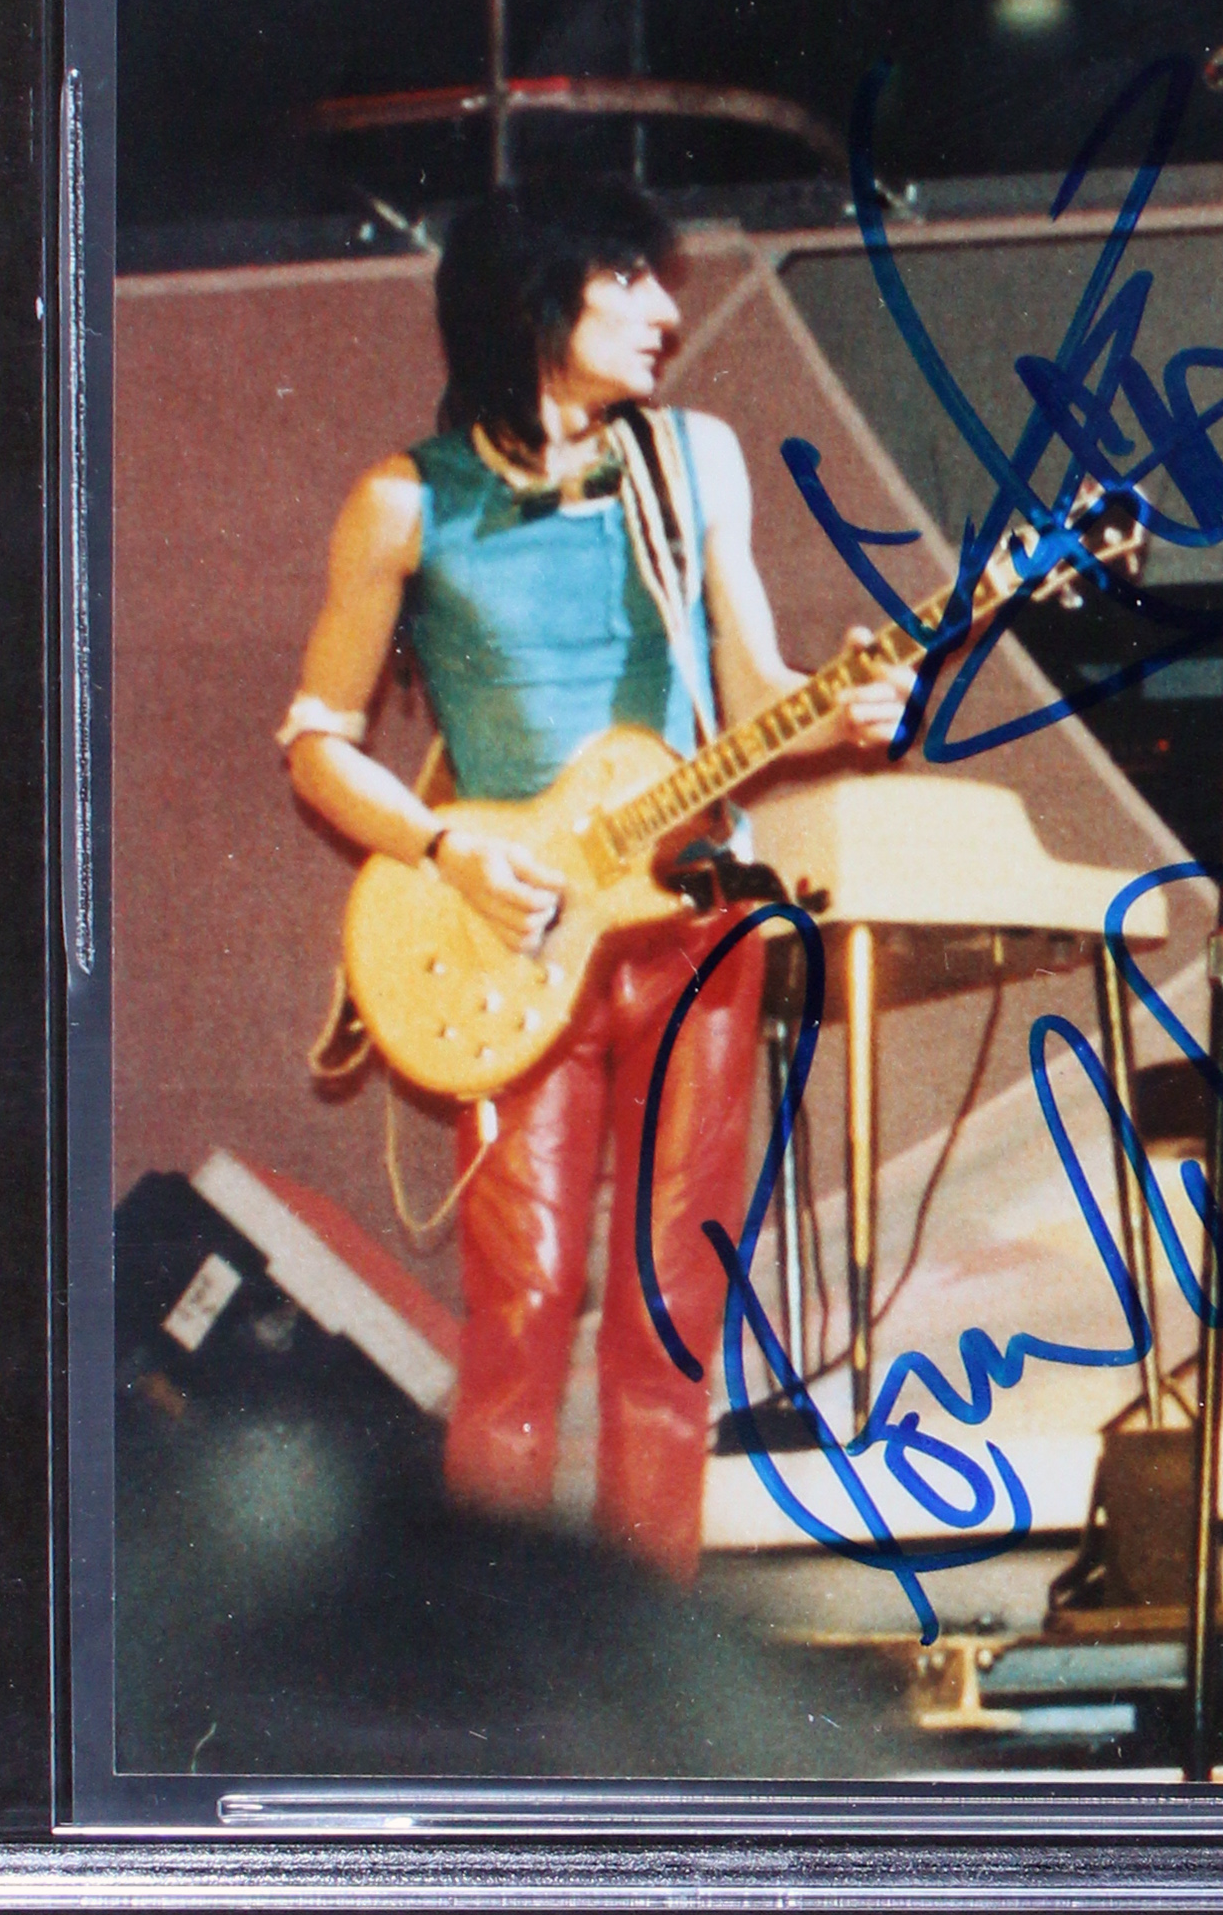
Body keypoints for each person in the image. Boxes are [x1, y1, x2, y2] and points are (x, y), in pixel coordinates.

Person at [279, 176, 906, 1582]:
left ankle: (647, 1662)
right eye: (626, 280)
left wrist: (841, 710)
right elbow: (316, 743)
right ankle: (491, 1666)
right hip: (514, 936)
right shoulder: (402, 501)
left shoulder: (694, 462)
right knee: (523, 1302)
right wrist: (447, 847)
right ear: (532, 302)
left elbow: (754, 685)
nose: (666, 310)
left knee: (673, 1311)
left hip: (694, 928)